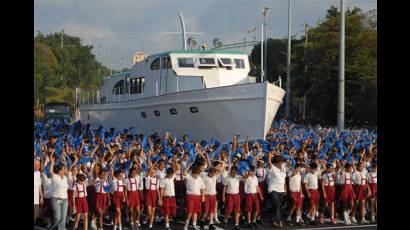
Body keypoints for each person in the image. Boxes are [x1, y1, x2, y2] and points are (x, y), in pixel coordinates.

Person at [266, 153, 287, 228]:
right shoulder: (273, 168)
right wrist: (270, 156)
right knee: (277, 204)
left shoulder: (283, 168)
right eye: (280, 162)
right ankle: (279, 220)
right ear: (276, 163)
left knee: (277, 206)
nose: (281, 163)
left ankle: (273, 220)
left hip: (281, 190)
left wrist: (285, 189)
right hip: (273, 189)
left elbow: (284, 180)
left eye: (281, 161)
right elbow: (269, 162)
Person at [49, 156, 70, 230]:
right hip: (55, 199)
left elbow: (67, 171)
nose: (65, 170)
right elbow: (50, 172)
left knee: (63, 218)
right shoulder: (55, 177)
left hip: (65, 200)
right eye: (63, 169)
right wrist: (52, 163)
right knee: (57, 217)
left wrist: (65, 163)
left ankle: (61, 228)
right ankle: (52, 228)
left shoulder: (65, 178)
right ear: (60, 171)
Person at [183, 165, 205, 230]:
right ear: (192, 173)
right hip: (190, 196)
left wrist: (203, 196)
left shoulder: (200, 179)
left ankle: (194, 225)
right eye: (195, 174)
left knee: (195, 211)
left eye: (197, 174)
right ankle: (186, 225)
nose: (196, 175)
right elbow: (184, 172)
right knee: (189, 211)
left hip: (198, 196)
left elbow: (203, 188)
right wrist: (190, 164)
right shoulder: (188, 177)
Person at [222, 166, 242, 230]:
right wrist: (223, 196)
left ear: (236, 172)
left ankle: (236, 224)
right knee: (229, 209)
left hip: (237, 195)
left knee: (237, 210)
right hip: (229, 195)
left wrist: (247, 172)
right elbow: (224, 187)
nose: (233, 173)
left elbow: (246, 177)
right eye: (232, 172)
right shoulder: (226, 178)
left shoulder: (238, 177)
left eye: (234, 172)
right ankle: (225, 220)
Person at [144, 162, 160, 229]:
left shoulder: (157, 180)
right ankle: (146, 220)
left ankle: (150, 224)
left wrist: (159, 198)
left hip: (154, 195)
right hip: (148, 194)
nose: (153, 172)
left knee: (153, 211)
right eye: (151, 171)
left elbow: (157, 189)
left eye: (154, 171)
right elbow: (149, 170)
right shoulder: (148, 178)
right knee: (149, 211)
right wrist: (153, 164)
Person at [34, 158, 43, 226]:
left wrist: (41, 197)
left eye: (39, 165)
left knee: (36, 214)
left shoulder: (38, 173)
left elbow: (39, 185)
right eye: (38, 165)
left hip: (36, 199)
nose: (39, 166)